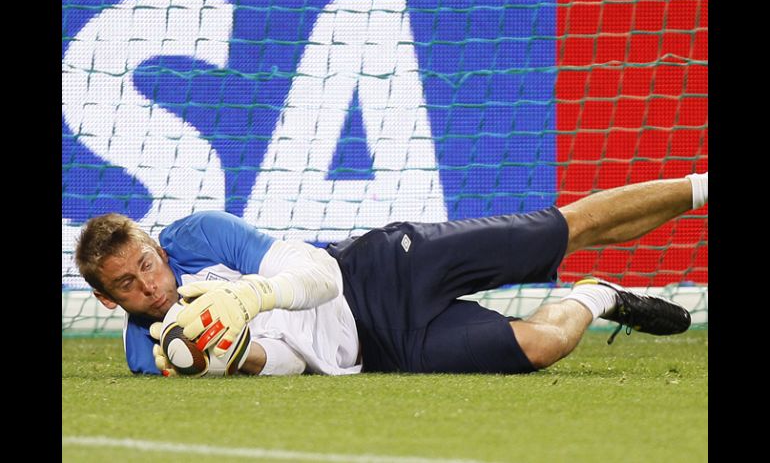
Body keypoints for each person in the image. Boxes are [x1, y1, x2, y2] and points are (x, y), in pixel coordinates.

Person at [74, 172, 707, 376]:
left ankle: (700, 185)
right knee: (541, 347)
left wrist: (248, 298)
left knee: (564, 228)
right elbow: (288, 361)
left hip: (379, 269)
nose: (149, 285)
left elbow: (317, 272)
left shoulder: (197, 235)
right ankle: (599, 296)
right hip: (380, 347)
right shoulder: (152, 350)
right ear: (106, 300)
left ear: (156, 246)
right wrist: (237, 354)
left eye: (147, 264)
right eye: (127, 285)